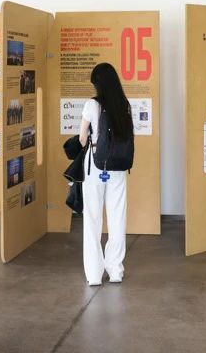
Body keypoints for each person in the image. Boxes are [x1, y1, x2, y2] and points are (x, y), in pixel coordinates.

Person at [78, 62, 133, 286]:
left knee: (92, 218)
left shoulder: (92, 104)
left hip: (95, 165)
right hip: (118, 167)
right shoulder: (124, 104)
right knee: (117, 217)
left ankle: (94, 275)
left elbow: (82, 138)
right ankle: (115, 270)